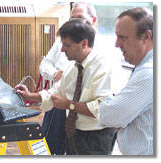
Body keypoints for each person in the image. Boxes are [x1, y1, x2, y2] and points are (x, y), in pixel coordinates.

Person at [15, 18, 118, 155]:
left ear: (84, 43)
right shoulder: (73, 65)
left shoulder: (103, 66)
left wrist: (69, 105)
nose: (62, 50)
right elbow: (57, 91)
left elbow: (102, 107)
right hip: (74, 131)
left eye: (67, 45)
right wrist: (31, 96)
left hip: (96, 135)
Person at [39, 2, 98, 155]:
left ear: (93, 20)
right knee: (49, 145)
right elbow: (44, 64)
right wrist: (54, 74)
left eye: (80, 18)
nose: (76, 23)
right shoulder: (61, 41)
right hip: (57, 101)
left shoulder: (101, 50)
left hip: (83, 111)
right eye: (72, 19)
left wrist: (71, 105)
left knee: (75, 150)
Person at [98, 7, 153, 155]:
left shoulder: (149, 73)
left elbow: (109, 116)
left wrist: (112, 104)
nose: (117, 44)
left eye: (123, 37)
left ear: (146, 36)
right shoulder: (143, 67)